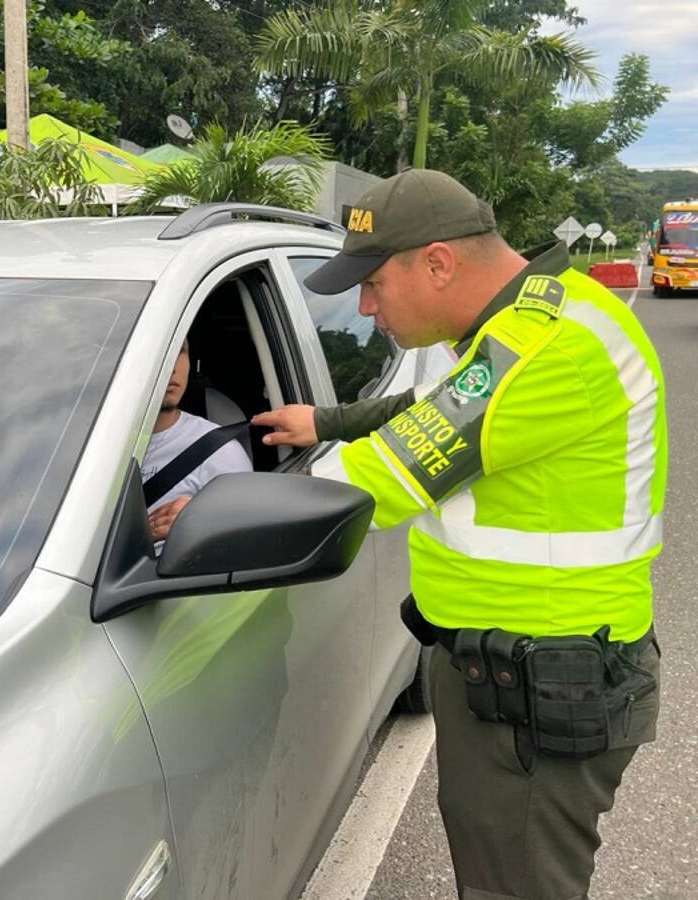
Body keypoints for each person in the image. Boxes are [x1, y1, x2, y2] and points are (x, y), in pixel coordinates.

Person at [254, 169, 666, 900]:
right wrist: (327, 422)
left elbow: (378, 478)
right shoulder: (531, 317)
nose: (365, 307)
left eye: (374, 284)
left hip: (543, 688)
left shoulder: (544, 347)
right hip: (522, 672)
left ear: (438, 262)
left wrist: (210, 514)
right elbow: (438, 403)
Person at [143, 338, 252, 548]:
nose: (172, 366)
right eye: (159, 350)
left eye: (180, 351)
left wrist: (201, 522)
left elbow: (245, 541)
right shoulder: (85, 446)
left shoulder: (218, 451)